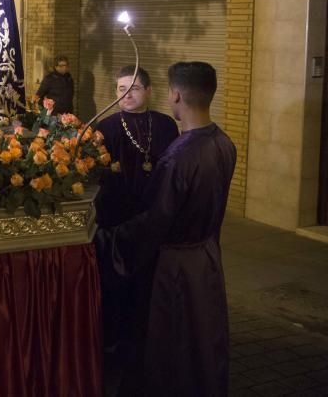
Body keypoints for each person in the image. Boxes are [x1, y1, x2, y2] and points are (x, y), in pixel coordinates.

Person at [97, 62, 236, 397]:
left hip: (174, 267)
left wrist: (105, 241)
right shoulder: (224, 142)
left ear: (174, 95)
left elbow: (152, 223)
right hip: (206, 256)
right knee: (201, 336)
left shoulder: (177, 157)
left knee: (169, 347)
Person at [94, 65, 179, 382]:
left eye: (133, 89)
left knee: (150, 286)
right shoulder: (106, 127)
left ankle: (150, 343)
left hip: (154, 218)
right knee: (118, 287)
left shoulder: (165, 124)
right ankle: (116, 346)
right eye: (120, 90)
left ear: (149, 91)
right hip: (118, 223)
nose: (126, 95)